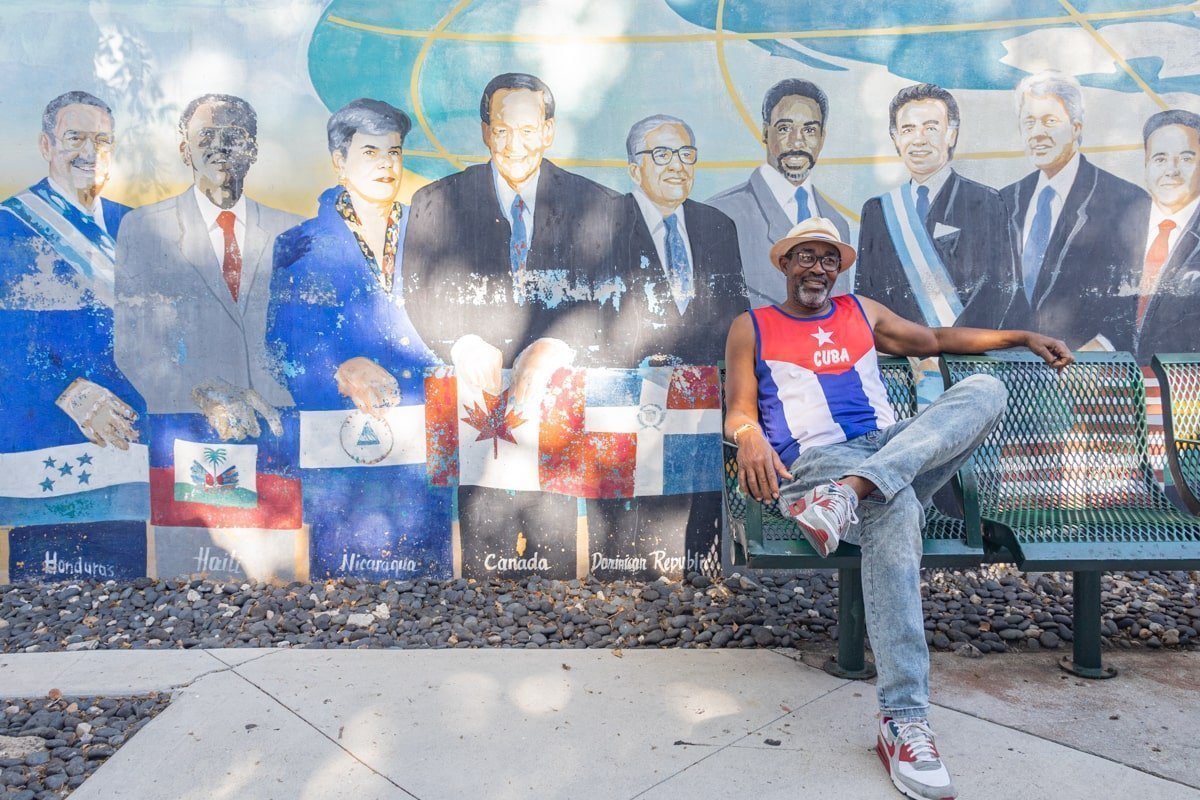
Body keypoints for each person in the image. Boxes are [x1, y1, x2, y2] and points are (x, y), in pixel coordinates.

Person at [723, 217, 1071, 800]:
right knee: (898, 506)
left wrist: (1019, 336)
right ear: (784, 264)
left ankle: (855, 493)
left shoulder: (863, 312)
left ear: (840, 267)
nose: (818, 268)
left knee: (985, 390)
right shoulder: (751, 326)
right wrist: (748, 434)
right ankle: (904, 719)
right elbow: (738, 409)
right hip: (815, 466)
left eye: (828, 259)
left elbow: (934, 340)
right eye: (805, 257)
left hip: (883, 452)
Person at [402, 72, 621, 578]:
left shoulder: (601, 206)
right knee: (485, 559)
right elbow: (418, 293)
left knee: (556, 560)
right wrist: (457, 342)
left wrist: (558, 346)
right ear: (484, 131)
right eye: (502, 130)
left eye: (529, 130)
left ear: (549, 130)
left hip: (560, 416)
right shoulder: (435, 203)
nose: (516, 144)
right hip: (474, 417)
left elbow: (614, 299)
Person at [268, 98, 451, 579]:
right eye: (370, 152)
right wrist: (336, 369)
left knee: (427, 577)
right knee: (345, 576)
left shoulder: (434, 231)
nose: (387, 164)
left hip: (423, 429)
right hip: (343, 436)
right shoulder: (298, 245)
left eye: (394, 152)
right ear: (339, 162)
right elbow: (280, 345)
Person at [114, 93, 301, 532]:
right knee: (195, 566)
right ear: (185, 150)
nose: (219, 146)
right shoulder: (145, 228)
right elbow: (134, 346)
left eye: (233, 136)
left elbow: (306, 337)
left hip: (278, 429)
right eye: (206, 136)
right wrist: (202, 393)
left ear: (253, 149)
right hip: (191, 431)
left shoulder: (291, 230)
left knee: (279, 571)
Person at [590, 114, 748, 578]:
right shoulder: (601, 222)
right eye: (661, 154)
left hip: (700, 407)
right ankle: (625, 588)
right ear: (634, 167)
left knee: (697, 531)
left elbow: (736, 318)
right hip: (628, 406)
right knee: (629, 541)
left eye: (685, 154)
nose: (676, 165)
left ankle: (700, 581)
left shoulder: (718, 225)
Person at [0, 90, 146, 530]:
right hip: (43, 445)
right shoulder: (9, 224)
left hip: (130, 447)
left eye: (101, 141)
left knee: (131, 585)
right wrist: (66, 389)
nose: (89, 152)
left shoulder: (137, 226)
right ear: (47, 146)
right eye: (74, 138)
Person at [1001, 70, 1149, 352]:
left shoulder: (1126, 200)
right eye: (1028, 123)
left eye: (1050, 121)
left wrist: (1087, 363)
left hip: (1084, 379)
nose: (1037, 133)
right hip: (1009, 372)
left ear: (1076, 127)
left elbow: (1133, 302)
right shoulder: (1006, 200)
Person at [856, 83, 1017, 330]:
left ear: (951, 134)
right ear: (895, 138)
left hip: (966, 360)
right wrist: (909, 351)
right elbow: (868, 298)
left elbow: (997, 291)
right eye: (908, 129)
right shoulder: (877, 212)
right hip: (901, 362)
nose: (918, 140)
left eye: (930, 128)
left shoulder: (986, 202)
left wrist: (950, 350)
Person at [708, 79, 851, 306]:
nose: (797, 140)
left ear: (822, 137)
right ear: (766, 132)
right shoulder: (721, 214)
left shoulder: (838, 224)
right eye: (785, 128)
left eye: (810, 129)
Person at [1135, 109, 1200, 362]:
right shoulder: (1114, 231)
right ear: (1146, 164)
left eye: (1186, 158)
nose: (1171, 171)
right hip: (1112, 391)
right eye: (1160, 159)